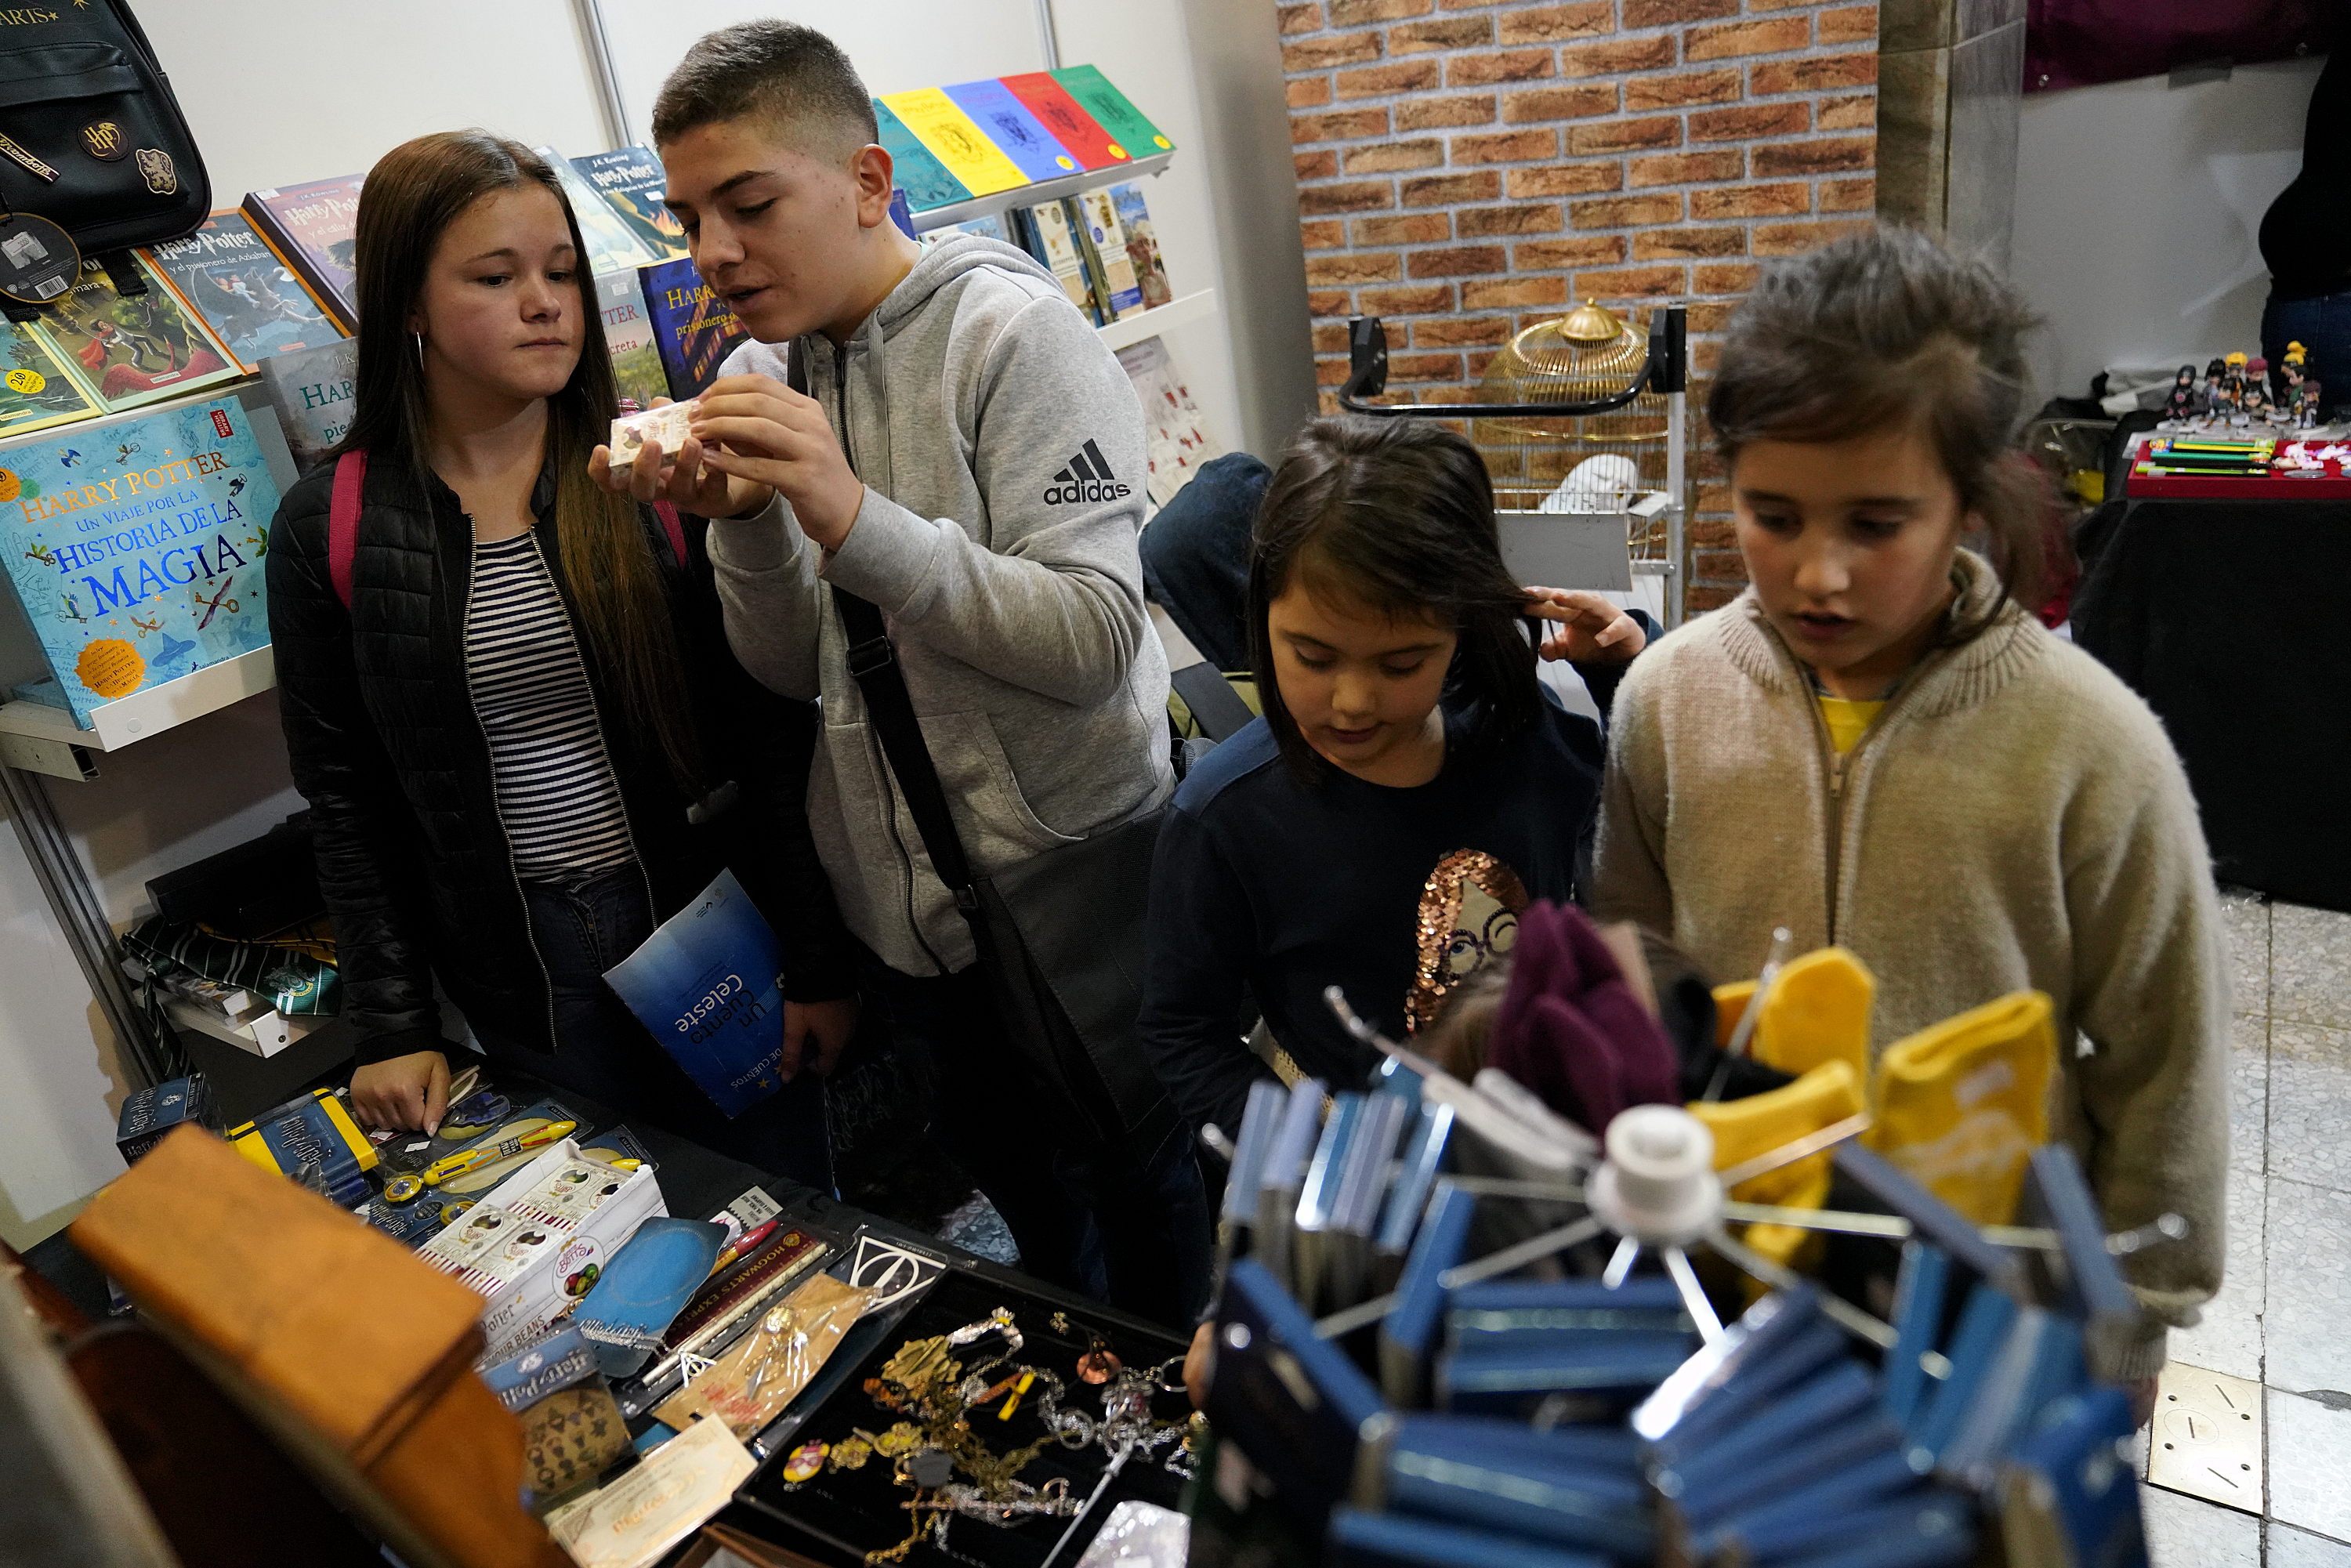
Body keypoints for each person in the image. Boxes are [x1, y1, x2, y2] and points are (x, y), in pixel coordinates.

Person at [597, 23, 1204, 1319]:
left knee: (1157, 1216)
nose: (713, 254)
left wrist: (851, 515)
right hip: (909, 922)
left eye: (749, 205)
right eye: (691, 217)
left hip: (1073, 884)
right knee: (1033, 1231)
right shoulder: (757, 372)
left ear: (869, 182)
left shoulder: (1015, 338)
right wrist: (748, 525)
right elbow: (782, 670)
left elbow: (1101, 639)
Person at [1592, 228, 2228, 1390]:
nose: (1817, 573)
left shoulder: (2093, 745)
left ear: (1969, 503)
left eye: (1875, 525)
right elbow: (1637, 975)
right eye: (1774, 516)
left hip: (1993, 1313)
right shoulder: (1665, 701)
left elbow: (2166, 1060)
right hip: (1730, 1281)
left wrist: (2130, 1322)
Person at [267, 130, 857, 1188]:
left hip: (708, 932)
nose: (545, 303)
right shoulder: (333, 525)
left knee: (782, 1218)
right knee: (602, 1245)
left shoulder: (655, 473)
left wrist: (815, 957)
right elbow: (347, 799)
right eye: (496, 277)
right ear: (408, 302)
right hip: (521, 967)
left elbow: (769, 730)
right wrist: (393, 1021)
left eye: (562, 273)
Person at [1138, 417, 1648, 1140]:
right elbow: (1182, 1029)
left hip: (1554, 1114)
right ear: (1262, 618)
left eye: (1401, 664)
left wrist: (1624, 675)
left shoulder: (1525, 732)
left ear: (1461, 629)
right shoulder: (1223, 818)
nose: (1352, 700)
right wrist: (1308, 1148)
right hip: (1375, 1169)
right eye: (1313, 658)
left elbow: (1643, 829)